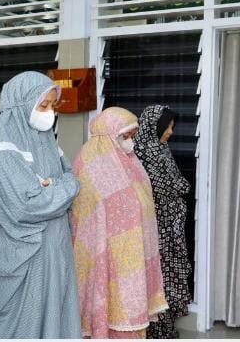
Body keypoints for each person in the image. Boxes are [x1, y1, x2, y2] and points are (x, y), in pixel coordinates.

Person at [0, 71, 82, 338]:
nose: (49, 113)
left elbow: (70, 178)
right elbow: (28, 205)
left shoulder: (44, 137)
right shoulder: (4, 142)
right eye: (43, 105)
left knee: (54, 319)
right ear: (22, 103)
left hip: (53, 251)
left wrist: (55, 186)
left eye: (51, 106)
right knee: (23, 324)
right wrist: (61, 188)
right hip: (24, 256)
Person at [70, 106, 168, 338]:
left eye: (132, 136)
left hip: (130, 252)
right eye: (126, 136)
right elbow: (88, 211)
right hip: (103, 253)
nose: (130, 142)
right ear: (110, 134)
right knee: (107, 303)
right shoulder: (88, 162)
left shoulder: (130, 161)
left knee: (129, 307)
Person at [134, 105, 192, 339]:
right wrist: (183, 187)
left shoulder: (159, 148)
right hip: (157, 227)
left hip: (166, 224)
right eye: (167, 126)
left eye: (171, 127)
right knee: (159, 275)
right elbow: (168, 186)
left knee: (162, 275)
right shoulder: (148, 152)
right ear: (154, 125)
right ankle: (159, 329)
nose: (170, 132)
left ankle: (163, 327)